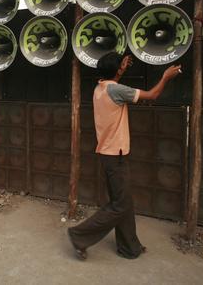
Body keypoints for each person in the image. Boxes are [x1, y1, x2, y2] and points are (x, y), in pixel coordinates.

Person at [67, 52, 182, 261]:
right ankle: (79, 235)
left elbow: (114, 82)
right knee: (120, 205)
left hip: (107, 154)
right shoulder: (118, 90)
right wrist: (166, 77)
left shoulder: (100, 88)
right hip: (116, 156)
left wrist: (121, 68)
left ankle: (130, 247)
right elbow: (152, 95)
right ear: (117, 70)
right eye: (121, 65)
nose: (123, 66)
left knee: (124, 202)